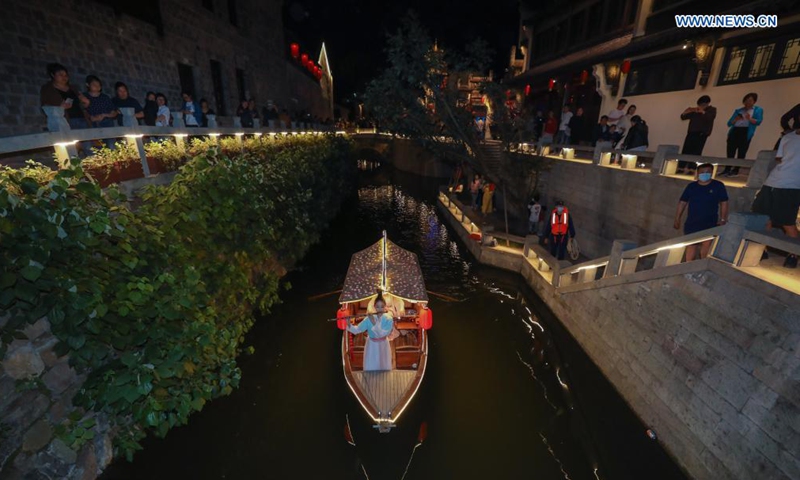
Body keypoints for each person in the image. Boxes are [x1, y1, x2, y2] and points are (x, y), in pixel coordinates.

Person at [752, 127, 800, 268]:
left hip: (792, 186)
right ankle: (762, 249)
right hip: (772, 182)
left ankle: (793, 254)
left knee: (787, 221)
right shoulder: (788, 137)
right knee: (762, 217)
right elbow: (779, 158)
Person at [673, 163, 729, 261]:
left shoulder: (718, 186)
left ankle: (702, 265)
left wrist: (723, 218)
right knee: (691, 245)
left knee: (706, 245)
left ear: (712, 173)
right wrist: (677, 218)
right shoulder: (692, 186)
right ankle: (688, 266)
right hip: (692, 222)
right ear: (698, 173)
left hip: (710, 221)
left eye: (708, 172)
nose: (705, 174)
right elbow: (682, 202)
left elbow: (724, 202)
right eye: (702, 172)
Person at [347, 293, 394, 371]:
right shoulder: (368, 318)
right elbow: (357, 330)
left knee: (384, 364)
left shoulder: (389, 319)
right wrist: (348, 324)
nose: (380, 309)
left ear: (385, 307)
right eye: (378, 307)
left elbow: (383, 333)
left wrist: (374, 322)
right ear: (374, 307)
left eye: (382, 306)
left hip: (384, 344)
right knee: (371, 365)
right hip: (372, 345)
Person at [39, 63, 90, 132]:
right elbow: (45, 106)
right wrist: (59, 107)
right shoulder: (48, 89)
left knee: (86, 141)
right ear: (53, 75)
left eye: (66, 75)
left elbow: (81, 105)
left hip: (81, 119)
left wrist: (86, 103)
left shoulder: (73, 88)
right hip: (64, 121)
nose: (64, 77)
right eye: (60, 75)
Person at [721, 92, 763, 177]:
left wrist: (749, 118)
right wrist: (736, 119)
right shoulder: (739, 110)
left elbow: (758, 122)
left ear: (754, 101)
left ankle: (736, 170)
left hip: (745, 132)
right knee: (730, 151)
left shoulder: (758, 110)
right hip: (735, 131)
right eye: (746, 100)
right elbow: (729, 123)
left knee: (742, 151)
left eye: (750, 100)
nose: (748, 102)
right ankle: (727, 169)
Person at [678, 95, 717, 173]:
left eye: (702, 105)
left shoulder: (712, 110)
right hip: (691, 132)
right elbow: (683, 117)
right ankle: (681, 167)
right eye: (699, 105)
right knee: (686, 150)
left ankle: (692, 169)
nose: (700, 106)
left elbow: (710, 118)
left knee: (696, 151)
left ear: (707, 103)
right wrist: (686, 111)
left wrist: (702, 112)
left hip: (702, 134)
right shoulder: (695, 111)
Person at [83, 75, 118, 151]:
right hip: (92, 125)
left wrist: (104, 115)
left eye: (98, 85)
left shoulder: (105, 97)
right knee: (97, 149)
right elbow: (83, 111)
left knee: (111, 146)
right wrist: (91, 118)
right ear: (88, 85)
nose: (97, 87)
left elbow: (114, 112)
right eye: (94, 85)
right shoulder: (84, 97)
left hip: (107, 124)